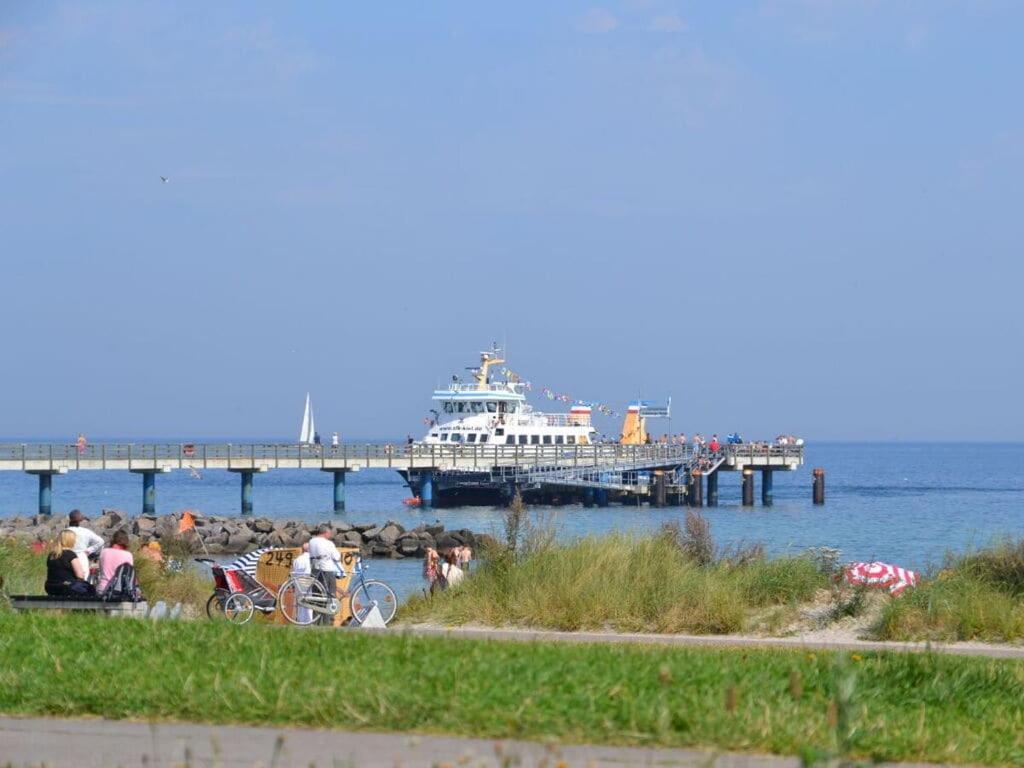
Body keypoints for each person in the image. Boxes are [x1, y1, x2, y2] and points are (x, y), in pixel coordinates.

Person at [45, 529, 95, 596]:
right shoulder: (70, 554)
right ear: (71, 541)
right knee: (90, 588)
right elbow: (80, 576)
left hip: (50, 587)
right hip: (67, 587)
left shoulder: (51, 555)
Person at [309, 524, 341, 624]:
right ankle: (327, 623)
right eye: (329, 533)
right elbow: (337, 557)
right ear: (325, 533)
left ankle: (316, 622)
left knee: (316, 597)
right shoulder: (328, 543)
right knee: (330, 597)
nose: (330, 535)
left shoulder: (312, 541)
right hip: (327, 571)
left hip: (315, 570)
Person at [68, 509, 104, 577]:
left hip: (67, 558)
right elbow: (101, 541)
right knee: (83, 580)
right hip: (81, 556)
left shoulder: (65, 531)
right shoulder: (85, 531)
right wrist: (89, 550)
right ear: (80, 521)